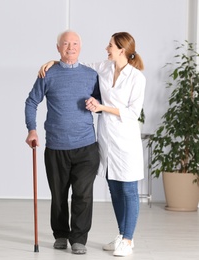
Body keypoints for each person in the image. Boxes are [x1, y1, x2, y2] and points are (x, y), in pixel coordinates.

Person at [38, 32, 146, 257]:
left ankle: (128, 239)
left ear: (122, 50)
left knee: (128, 190)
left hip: (125, 140)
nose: (107, 48)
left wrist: (101, 107)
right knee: (114, 189)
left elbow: (133, 112)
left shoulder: (137, 78)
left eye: (111, 45)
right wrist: (54, 62)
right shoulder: (105, 68)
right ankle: (121, 234)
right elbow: (75, 62)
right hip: (106, 138)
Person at [24, 30, 100, 255]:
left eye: (75, 43)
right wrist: (32, 129)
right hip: (56, 146)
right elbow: (31, 102)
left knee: (83, 194)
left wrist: (96, 102)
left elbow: (103, 102)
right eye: (65, 44)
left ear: (81, 47)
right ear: (58, 48)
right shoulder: (48, 73)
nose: (70, 47)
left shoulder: (92, 74)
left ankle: (78, 238)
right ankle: (60, 234)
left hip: (86, 145)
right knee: (59, 195)